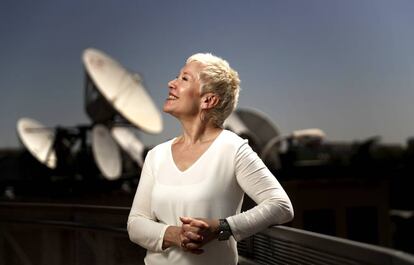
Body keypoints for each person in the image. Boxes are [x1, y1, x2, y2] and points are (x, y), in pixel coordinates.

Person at [127, 53, 294, 265]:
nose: (171, 83)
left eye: (184, 78)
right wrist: (173, 234)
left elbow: (280, 205)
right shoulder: (156, 155)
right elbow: (135, 223)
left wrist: (221, 228)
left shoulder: (233, 149)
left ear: (208, 100)